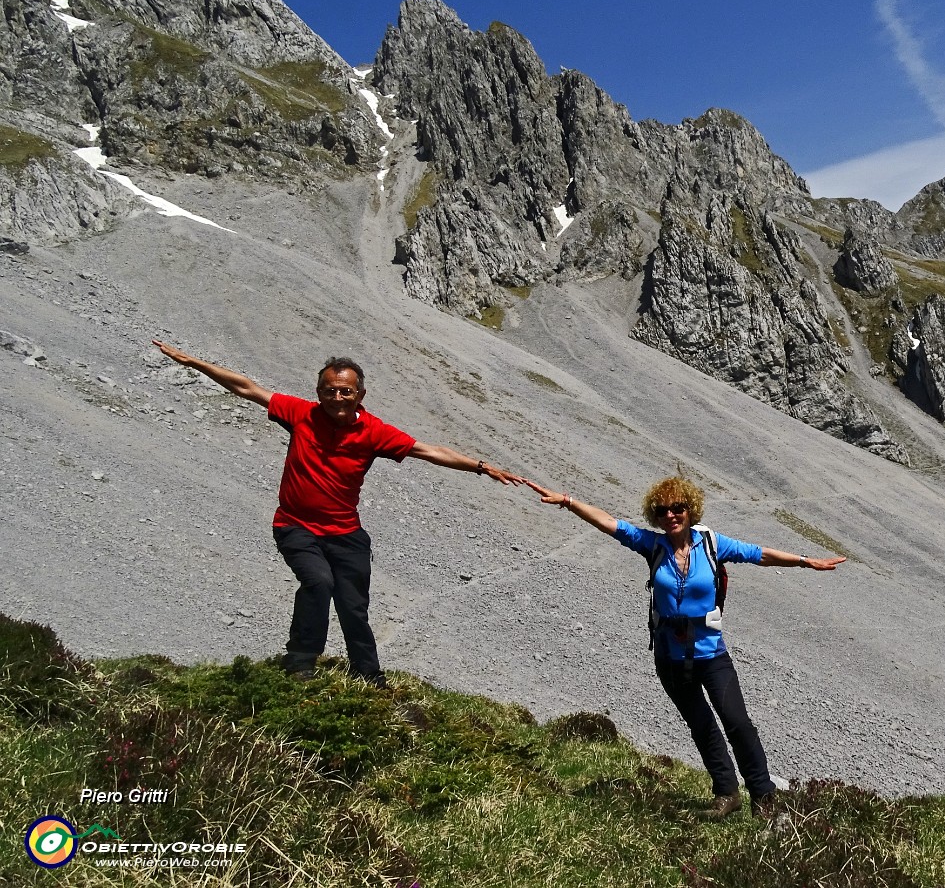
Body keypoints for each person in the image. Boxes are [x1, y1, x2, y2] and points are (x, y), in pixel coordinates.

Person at [153, 340, 526, 686]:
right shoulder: (301, 414)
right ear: (319, 393)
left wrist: (480, 466)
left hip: (346, 533)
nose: (337, 397)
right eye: (329, 390)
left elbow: (428, 451)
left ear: (360, 394)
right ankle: (300, 662)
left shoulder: (374, 432)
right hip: (295, 526)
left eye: (346, 391)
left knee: (353, 606)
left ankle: (368, 676)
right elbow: (248, 388)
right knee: (318, 582)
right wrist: (193, 362)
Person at [526, 475, 845, 819]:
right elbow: (609, 523)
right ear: (655, 515)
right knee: (702, 726)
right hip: (670, 657)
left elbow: (758, 554)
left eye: (677, 507)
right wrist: (568, 502)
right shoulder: (652, 545)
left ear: (690, 509)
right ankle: (726, 794)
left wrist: (803, 560)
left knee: (737, 722)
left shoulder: (711, 543)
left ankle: (764, 797)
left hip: (711, 654)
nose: (670, 515)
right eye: (662, 510)